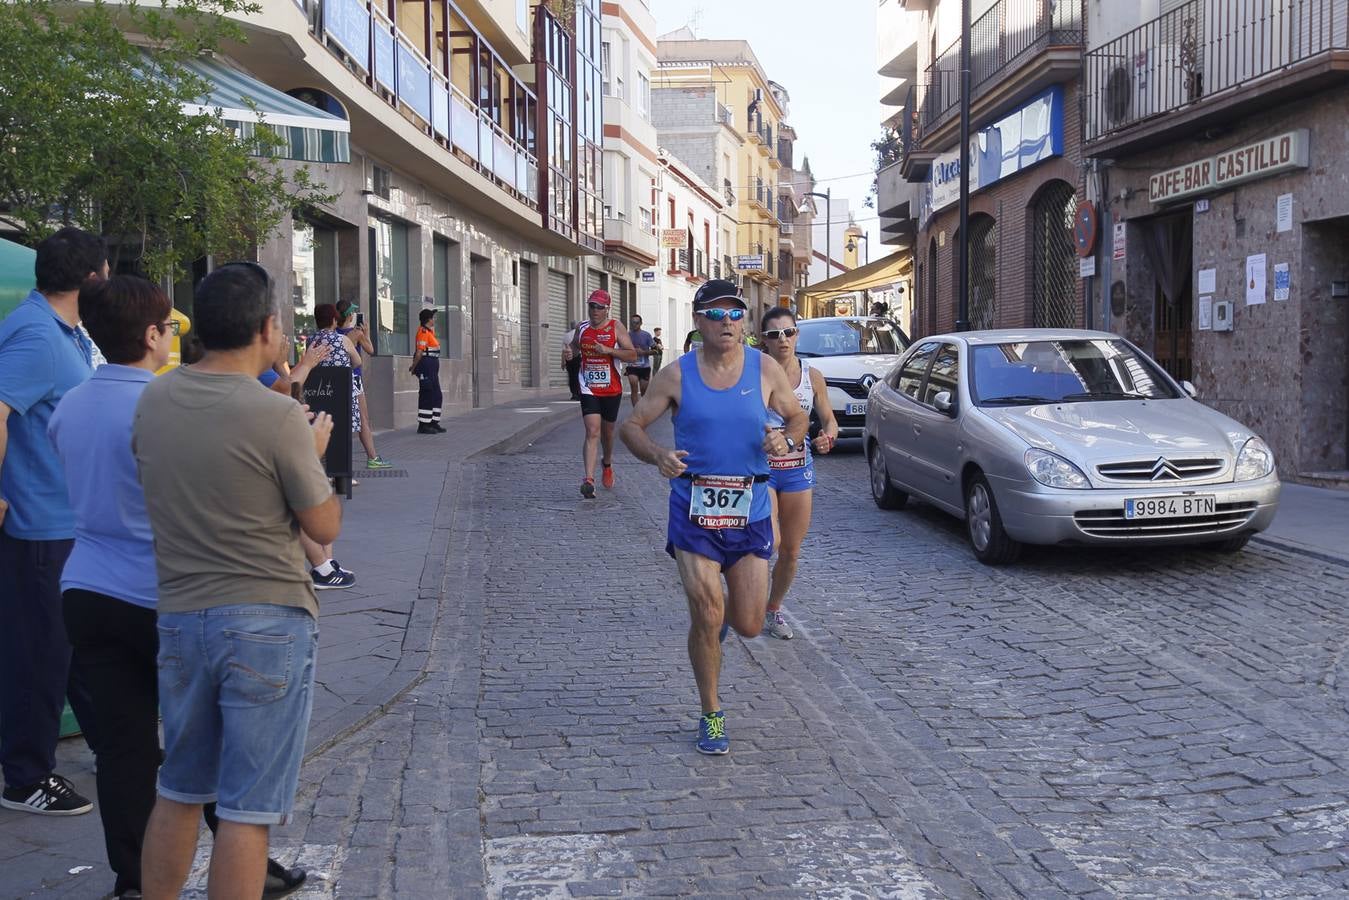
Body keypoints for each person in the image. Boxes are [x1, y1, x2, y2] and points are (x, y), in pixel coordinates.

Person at [50, 274, 305, 900]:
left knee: (123, 748)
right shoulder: (164, 404)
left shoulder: (72, 403)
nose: (172, 337)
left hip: (85, 585)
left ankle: (134, 879)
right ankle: (248, 863)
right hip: (162, 589)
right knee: (204, 744)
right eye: (168, 327)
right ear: (149, 334)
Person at [133, 262, 340, 900]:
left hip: (180, 614)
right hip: (265, 619)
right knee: (247, 809)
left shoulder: (155, 398)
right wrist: (316, 456)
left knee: (179, 789)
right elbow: (323, 526)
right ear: (266, 328)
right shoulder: (274, 415)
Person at [619, 279, 807, 755]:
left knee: (746, 624)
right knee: (706, 611)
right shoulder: (676, 375)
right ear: (699, 321)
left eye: (735, 313)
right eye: (716, 314)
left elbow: (796, 418)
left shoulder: (765, 368)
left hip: (751, 511)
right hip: (693, 512)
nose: (727, 322)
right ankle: (711, 714)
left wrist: (786, 439)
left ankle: (718, 627)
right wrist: (657, 455)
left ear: (743, 321)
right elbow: (632, 426)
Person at [0, 226, 106, 818]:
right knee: (39, 653)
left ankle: (111, 741)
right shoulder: (37, 334)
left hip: (70, 518)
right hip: (38, 524)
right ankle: (24, 777)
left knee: (78, 647)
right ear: (90, 278)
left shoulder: (65, 331)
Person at [759, 308, 839, 641]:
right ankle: (747, 593)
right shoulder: (754, 374)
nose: (783, 340)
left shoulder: (813, 376)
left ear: (797, 335)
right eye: (775, 335)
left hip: (797, 470)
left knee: (791, 549)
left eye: (789, 333)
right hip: (760, 470)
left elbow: (829, 419)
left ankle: (773, 609)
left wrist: (828, 436)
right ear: (763, 339)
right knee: (770, 542)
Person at [570, 290, 638, 498]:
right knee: (592, 431)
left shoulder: (615, 327)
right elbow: (574, 347)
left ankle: (606, 464)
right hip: (588, 386)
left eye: (600, 307)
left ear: (608, 309)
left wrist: (609, 351)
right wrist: (569, 354)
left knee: (608, 434)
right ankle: (588, 479)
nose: (595, 311)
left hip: (612, 388)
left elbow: (632, 355)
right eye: (592, 306)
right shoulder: (582, 328)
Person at [336, 301, 391, 469]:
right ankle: (372, 457)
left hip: (337, 379)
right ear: (350, 316)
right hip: (353, 378)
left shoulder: (334, 333)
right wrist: (365, 333)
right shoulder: (356, 333)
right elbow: (371, 350)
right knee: (363, 419)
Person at [410, 308, 445, 434]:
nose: (434, 319)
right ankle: (423, 425)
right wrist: (414, 367)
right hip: (426, 366)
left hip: (432, 368)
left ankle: (433, 422)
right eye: (432, 317)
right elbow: (419, 353)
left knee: (436, 394)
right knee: (427, 394)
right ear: (428, 319)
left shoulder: (430, 332)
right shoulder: (423, 332)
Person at [625, 314, 655, 407]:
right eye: (633, 323)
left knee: (643, 390)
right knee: (634, 386)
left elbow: (655, 351)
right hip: (632, 366)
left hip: (644, 367)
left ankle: (644, 408)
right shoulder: (627, 335)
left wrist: (643, 352)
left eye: (637, 323)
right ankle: (636, 411)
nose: (635, 325)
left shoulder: (646, 335)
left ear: (641, 323)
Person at [562, 320, 583, 400]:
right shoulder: (580, 334)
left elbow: (564, 350)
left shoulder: (566, 335)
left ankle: (574, 394)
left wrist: (563, 362)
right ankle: (579, 393)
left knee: (571, 376)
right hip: (578, 357)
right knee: (579, 376)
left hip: (569, 358)